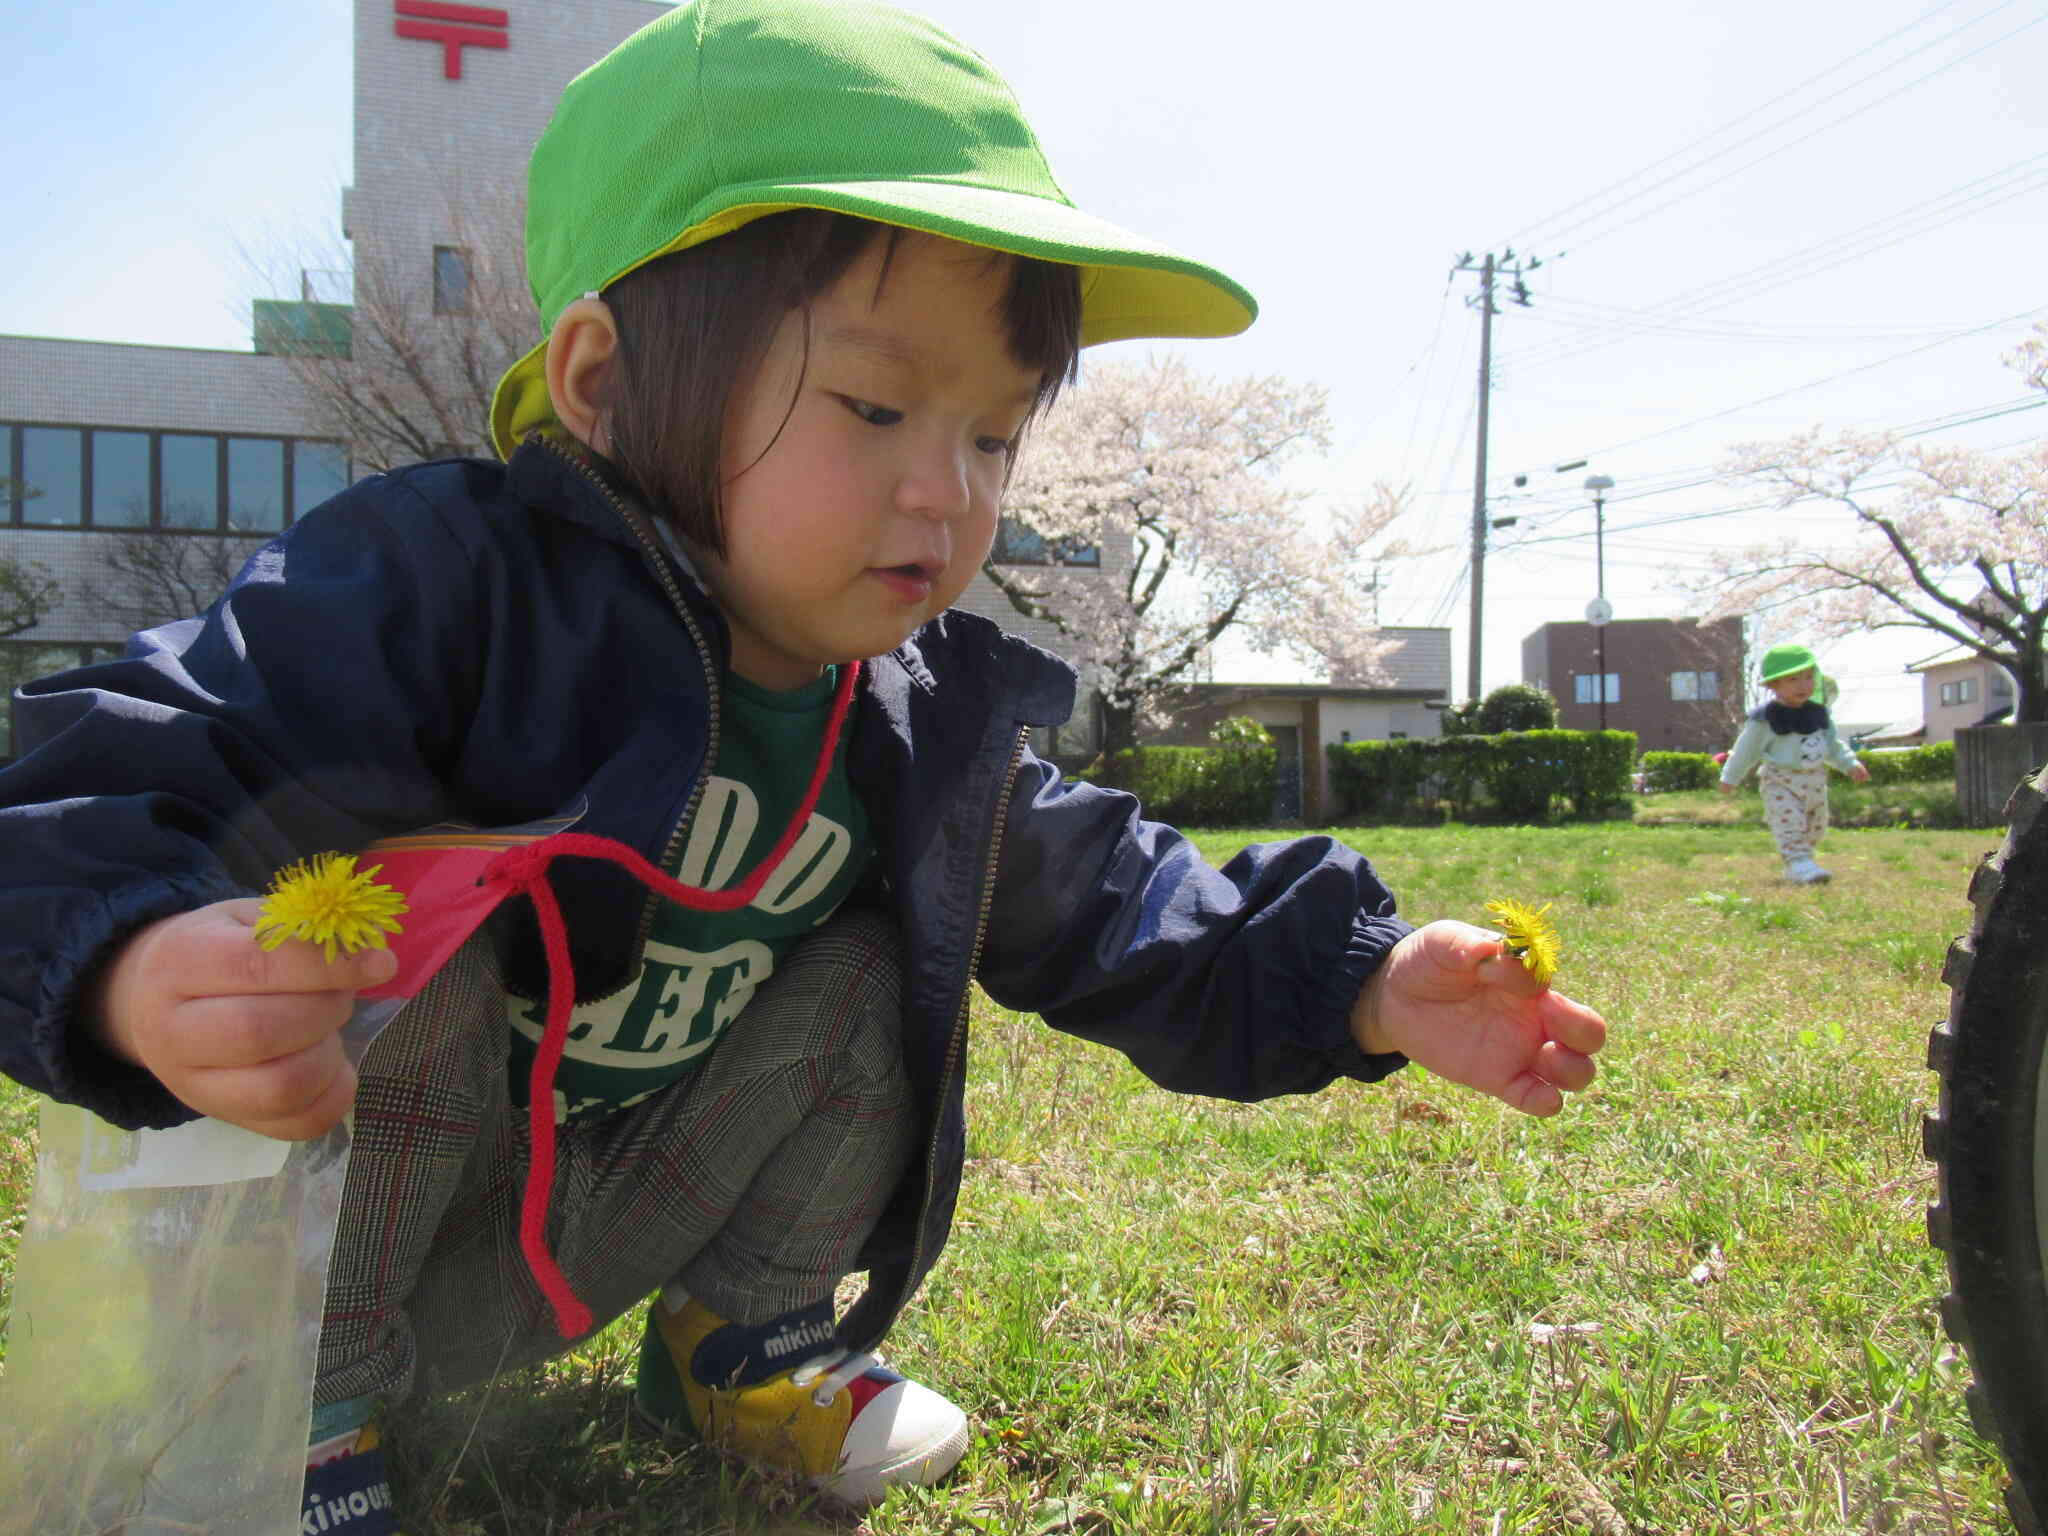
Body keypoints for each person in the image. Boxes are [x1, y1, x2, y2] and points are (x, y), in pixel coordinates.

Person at [0, 1, 1608, 1528]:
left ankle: (744, 1343)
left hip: (585, 1224)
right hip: (336, 1232)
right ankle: (299, 1419)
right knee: (418, 941)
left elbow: (1114, 898)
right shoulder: (442, 585)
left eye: (993, 435)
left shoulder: (909, 716)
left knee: (878, 965)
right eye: (877, 405)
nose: (947, 492)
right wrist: (132, 966)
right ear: (605, 383)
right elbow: (118, 759)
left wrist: (1362, 977)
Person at [1717, 642, 1870, 882]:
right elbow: (1745, 750)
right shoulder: (1765, 720)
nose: (1803, 685)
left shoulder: (1819, 714)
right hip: (1781, 780)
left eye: (1808, 678)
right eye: (1793, 680)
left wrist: (1850, 764)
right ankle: (1799, 863)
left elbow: (1831, 745)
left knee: (1816, 826)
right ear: (1773, 684)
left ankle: (1799, 863)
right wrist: (1730, 777)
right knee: (1789, 823)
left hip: (1815, 780)